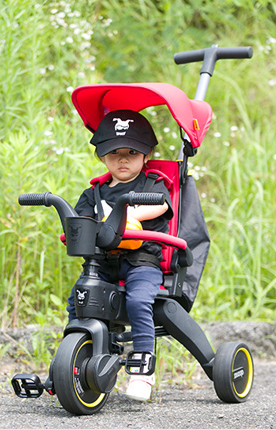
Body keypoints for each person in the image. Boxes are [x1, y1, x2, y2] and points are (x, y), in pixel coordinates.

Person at [66, 109, 173, 402]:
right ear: (102, 156)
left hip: (141, 263)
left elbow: (161, 204)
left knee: (139, 301)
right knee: (78, 298)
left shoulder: (151, 183)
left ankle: (142, 368)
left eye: (131, 152)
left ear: (147, 154)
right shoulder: (95, 193)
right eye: (114, 153)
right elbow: (81, 220)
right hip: (102, 264)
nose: (122, 159)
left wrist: (130, 213)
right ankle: (73, 358)